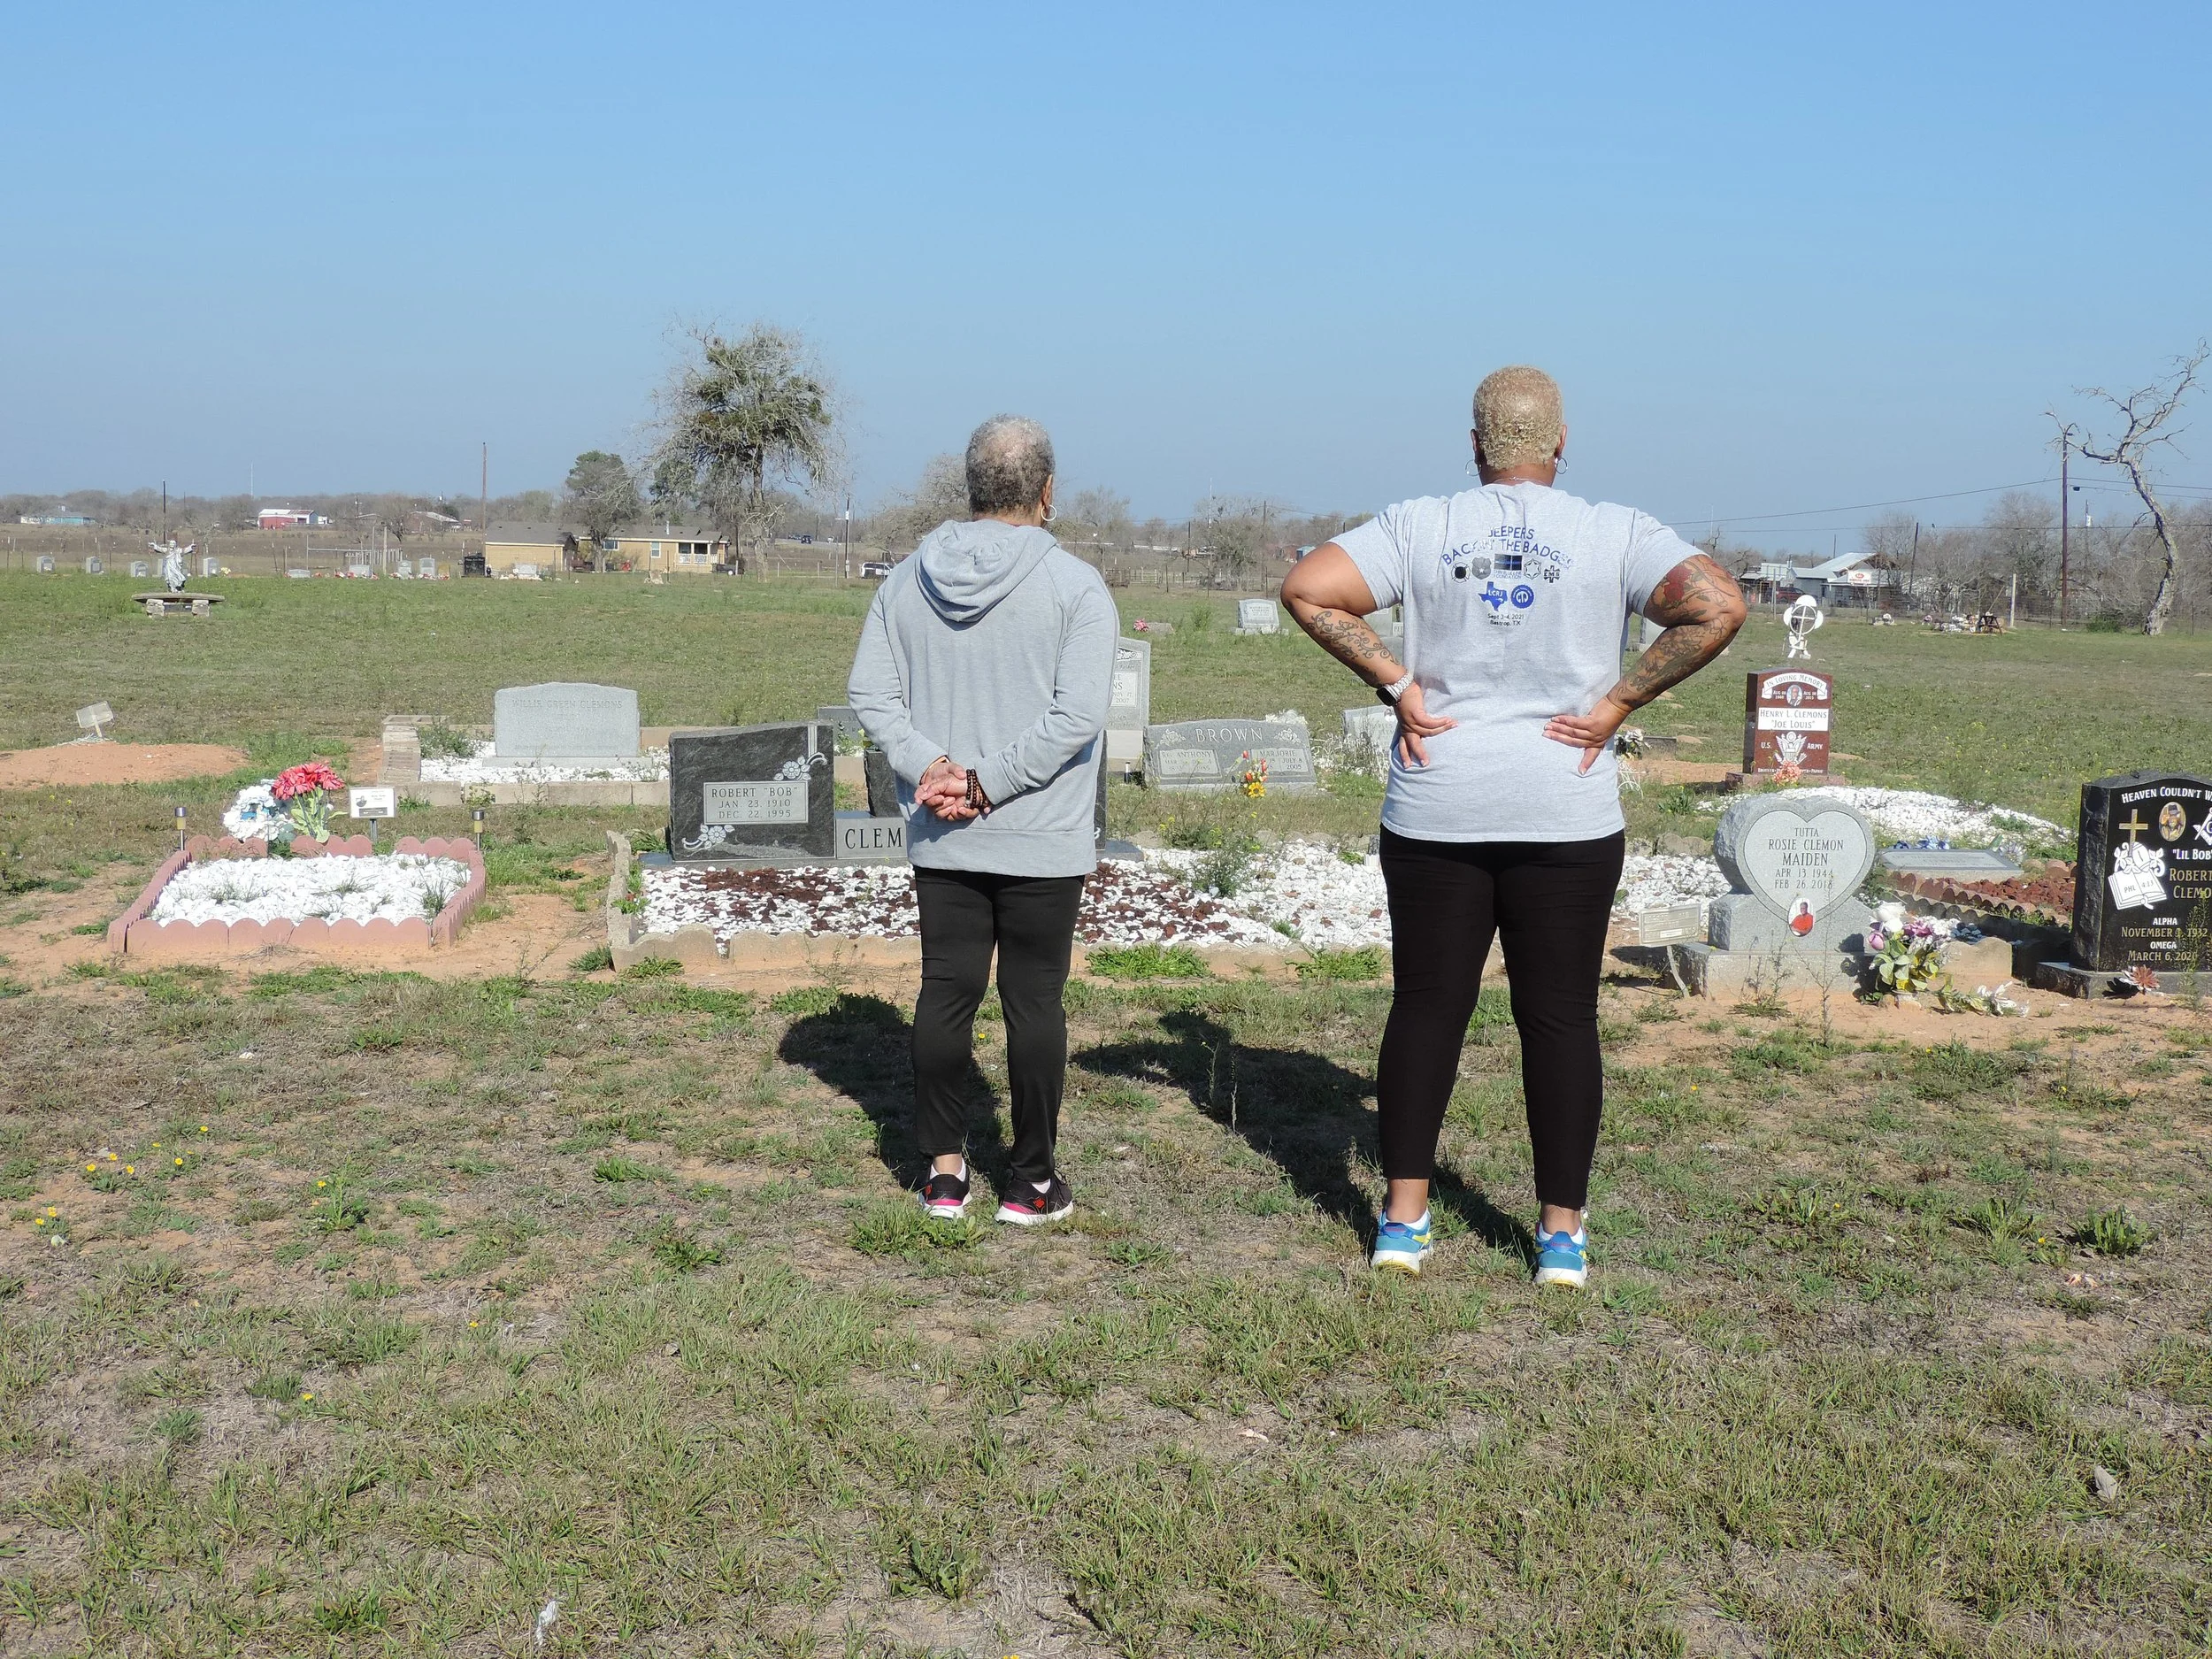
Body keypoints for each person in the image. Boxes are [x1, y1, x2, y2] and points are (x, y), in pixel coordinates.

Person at [1280, 366, 1746, 1285]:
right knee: (1562, 1019)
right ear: (1561, 445)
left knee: (1425, 1010)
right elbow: (1718, 604)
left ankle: (1402, 1223)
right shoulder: (1612, 531)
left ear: (1473, 446)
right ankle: (1559, 1237)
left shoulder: (1421, 525)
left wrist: (1400, 687)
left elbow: (1308, 589)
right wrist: (1617, 701)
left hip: (1436, 802)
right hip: (1564, 807)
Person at [848, 415, 1116, 1226]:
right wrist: (987, 783)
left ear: (969, 489)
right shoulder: (1078, 588)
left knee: (946, 993)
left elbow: (872, 695)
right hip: (1041, 829)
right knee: (1035, 1003)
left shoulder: (902, 583)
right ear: (1046, 491)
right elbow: (1077, 717)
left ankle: (942, 1174)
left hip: (943, 831)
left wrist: (932, 767)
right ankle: (1031, 1183)